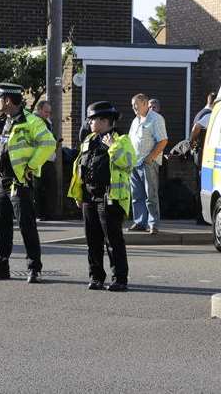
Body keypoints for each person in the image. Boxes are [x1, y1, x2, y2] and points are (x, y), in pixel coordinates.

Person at [0, 83, 56, 284]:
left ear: (8, 100)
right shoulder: (1, 120)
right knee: (1, 228)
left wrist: (31, 166)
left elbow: (48, 143)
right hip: (0, 180)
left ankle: (34, 268)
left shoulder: (31, 120)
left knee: (26, 226)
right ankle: (1, 267)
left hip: (19, 182)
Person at [68, 101, 135, 292]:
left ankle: (119, 279)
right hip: (90, 196)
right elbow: (80, 166)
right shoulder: (89, 139)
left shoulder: (121, 140)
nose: (89, 123)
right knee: (92, 240)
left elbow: (129, 163)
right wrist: (79, 193)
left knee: (113, 241)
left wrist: (113, 147)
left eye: (93, 119)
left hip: (109, 197)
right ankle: (96, 277)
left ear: (105, 121)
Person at [128, 93, 168, 235]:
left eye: (136, 105)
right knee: (137, 195)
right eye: (132, 106)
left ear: (145, 104)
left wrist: (150, 158)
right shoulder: (136, 120)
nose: (134, 108)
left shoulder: (156, 119)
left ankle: (153, 224)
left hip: (147, 162)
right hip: (135, 163)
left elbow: (163, 140)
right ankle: (140, 222)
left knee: (150, 195)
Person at [189, 92, 215, 223]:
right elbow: (197, 127)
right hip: (203, 154)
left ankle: (200, 216)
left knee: (199, 183)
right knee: (203, 184)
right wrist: (192, 141)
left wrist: (192, 142)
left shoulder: (201, 112)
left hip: (199, 153)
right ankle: (202, 217)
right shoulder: (210, 114)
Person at [33, 100, 57, 220]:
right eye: (46, 111)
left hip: (48, 159)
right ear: (39, 110)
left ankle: (48, 213)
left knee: (49, 187)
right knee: (38, 188)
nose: (48, 114)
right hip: (39, 160)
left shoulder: (47, 121)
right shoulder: (35, 122)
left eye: (49, 112)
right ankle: (39, 214)